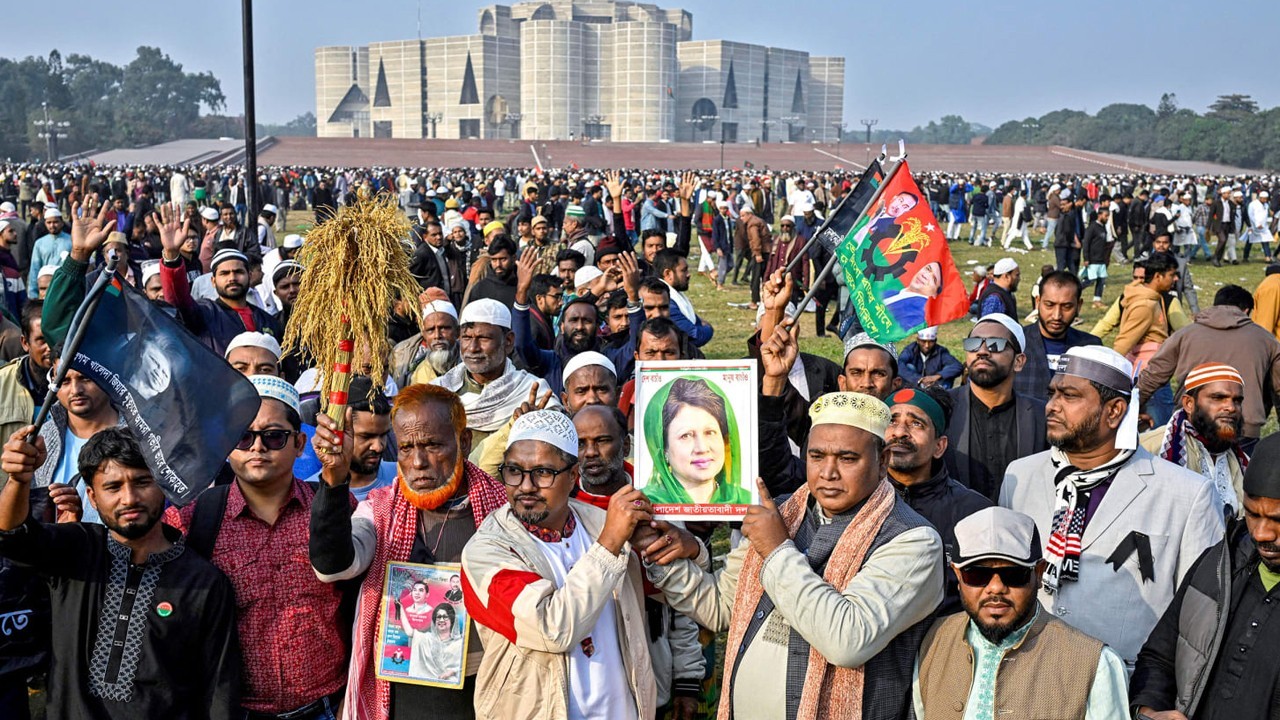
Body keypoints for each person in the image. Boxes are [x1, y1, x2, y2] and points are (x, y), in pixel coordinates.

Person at [643, 387, 944, 720]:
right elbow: (721, 606)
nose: (828, 472)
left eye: (847, 458)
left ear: (883, 460)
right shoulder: (784, 511)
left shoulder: (914, 541)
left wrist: (776, 549)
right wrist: (661, 552)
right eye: (817, 457)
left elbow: (847, 641)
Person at [1000, 345, 1225, 669]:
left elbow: (1201, 618)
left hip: (1125, 689)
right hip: (1027, 677)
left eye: (1070, 396)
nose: (1052, 406)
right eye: (1052, 394)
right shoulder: (1020, 476)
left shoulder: (1187, 495)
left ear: (1115, 410)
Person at [0, 426, 240, 719]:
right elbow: (12, 537)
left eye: (142, 482)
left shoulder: (203, 582)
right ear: (92, 496)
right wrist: (18, 480)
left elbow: (219, 689)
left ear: (161, 486)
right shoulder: (76, 549)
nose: (129, 499)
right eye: (113, 487)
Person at [310, 382, 508, 719]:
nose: (417, 461)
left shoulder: (503, 513)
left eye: (432, 445)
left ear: (464, 441)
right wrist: (333, 479)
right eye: (406, 447)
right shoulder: (381, 511)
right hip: (405, 694)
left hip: (487, 692)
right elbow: (333, 567)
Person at [166, 375, 348, 718]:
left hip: (328, 708)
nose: (257, 447)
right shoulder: (193, 520)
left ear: (299, 443)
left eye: (274, 436)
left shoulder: (337, 509)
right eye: (244, 436)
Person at [463, 409, 659, 720]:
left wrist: (686, 549)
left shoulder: (600, 523)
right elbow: (552, 628)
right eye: (514, 471)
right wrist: (610, 543)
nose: (525, 486)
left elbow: (664, 590)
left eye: (542, 472)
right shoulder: (486, 552)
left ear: (573, 476)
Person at [913, 507, 1129, 720]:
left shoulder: (1095, 664)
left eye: (1013, 574)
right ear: (957, 576)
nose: (996, 588)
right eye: (978, 575)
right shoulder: (933, 641)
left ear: (1038, 573)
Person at [1130, 434, 1280, 719]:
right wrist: (1150, 711)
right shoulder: (1218, 564)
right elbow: (1159, 657)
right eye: (1251, 514)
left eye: (1277, 520)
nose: (1261, 533)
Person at [570, 404, 706, 718]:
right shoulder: (564, 507)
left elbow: (679, 600)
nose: (590, 452)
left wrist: (687, 679)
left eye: (602, 441)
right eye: (580, 443)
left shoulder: (657, 501)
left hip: (653, 673)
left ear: (626, 445)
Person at [885, 386, 992, 614]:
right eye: (891, 422)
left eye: (916, 424)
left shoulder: (975, 513)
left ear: (939, 446)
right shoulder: (857, 501)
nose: (900, 432)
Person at [1140, 284, 1280, 448]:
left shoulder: (1185, 335)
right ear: (1247, 310)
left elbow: (1152, 376)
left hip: (1192, 423)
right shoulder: (1266, 340)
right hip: (1243, 428)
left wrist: (1134, 407)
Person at [944, 314, 1046, 500]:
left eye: (995, 344)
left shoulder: (1042, 416)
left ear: (1019, 361)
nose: (982, 351)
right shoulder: (943, 409)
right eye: (974, 343)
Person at [1141, 363, 1248, 518]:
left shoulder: (1242, 460)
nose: (1231, 407)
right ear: (1189, 404)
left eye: (1237, 401)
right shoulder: (1148, 451)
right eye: (1218, 398)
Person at [641, 376, 751, 506]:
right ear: (663, 448)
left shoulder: (747, 502)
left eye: (710, 432)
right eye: (686, 435)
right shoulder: (645, 505)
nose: (702, 448)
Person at [1013, 271, 1101, 402]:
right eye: (1049, 305)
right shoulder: (1015, 343)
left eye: (1066, 307)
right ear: (1038, 302)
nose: (1056, 315)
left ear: (1079, 305)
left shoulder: (1091, 348)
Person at [390, 298, 460, 387]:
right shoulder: (417, 374)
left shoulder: (470, 368)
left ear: (458, 331)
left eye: (444, 328)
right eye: (431, 330)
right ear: (424, 334)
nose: (437, 336)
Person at [654, 249, 713, 348]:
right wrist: (709, 328)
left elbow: (695, 323)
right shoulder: (666, 302)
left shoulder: (676, 295)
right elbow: (696, 337)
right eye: (683, 270)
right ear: (668, 274)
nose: (688, 274)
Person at [399, 602, 463, 683]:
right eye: (438, 617)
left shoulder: (459, 643)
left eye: (445, 617)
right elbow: (409, 632)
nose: (441, 620)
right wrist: (400, 609)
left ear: (452, 620)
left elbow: (462, 667)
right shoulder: (426, 638)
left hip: (449, 686)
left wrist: (451, 672)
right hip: (425, 685)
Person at [896, 326, 963, 390]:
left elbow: (957, 366)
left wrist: (937, 376)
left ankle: (942, 399)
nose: (927, 345)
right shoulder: (910, 350)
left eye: (930, 342)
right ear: (918, 340)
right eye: (923, 341)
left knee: (948, 374)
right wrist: (919, 379)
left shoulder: (941, 352)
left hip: (935, 386)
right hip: (915, 385)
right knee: (909, 366)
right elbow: (899, 364)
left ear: (935, 341)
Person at [882, 261, 943, 330]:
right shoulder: (891, 291)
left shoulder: (918, 314)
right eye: (928, 269)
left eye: (934, 279)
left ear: (935, 294)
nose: (925, 275)